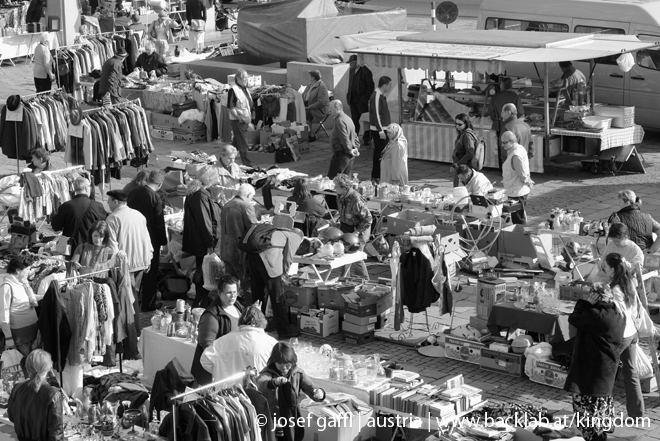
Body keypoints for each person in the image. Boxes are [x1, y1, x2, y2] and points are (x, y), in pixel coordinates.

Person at [564, 282, 625, 441]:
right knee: (600, 412)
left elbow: (574, 318)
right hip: (606, 371)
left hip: (590, 373)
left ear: (595, 296)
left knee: (588, 416)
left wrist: (586, 304)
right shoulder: (618, 314)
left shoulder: (595, 314)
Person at [602, 253, 645, 418]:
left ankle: (603, 412)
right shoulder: (629, 282)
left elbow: (618, 315)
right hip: (632, 332)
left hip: (621, 335)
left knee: (606, 372)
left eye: (605, 267)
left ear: (612, 269)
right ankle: (637, 413)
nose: (604, 269)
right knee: (630, 372)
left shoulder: (614, 289)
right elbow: (633, 309)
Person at [257, 343, 325, 441]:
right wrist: (274, 382)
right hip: (274, 419)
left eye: (287, 366)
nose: (284, 369)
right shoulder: (267, 373)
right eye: (281, 366)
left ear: (292, 362)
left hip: (293, 417)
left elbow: (311, 387)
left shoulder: (298, 373)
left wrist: (318, 392)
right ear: (274, 362)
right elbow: (261, 384)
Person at [246, 227, 303, 339]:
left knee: (257, 295)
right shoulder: (295, 236)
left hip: (252, 259)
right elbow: (288, 257)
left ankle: (258, 326)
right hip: (269, 262)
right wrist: (285, 273)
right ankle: (284, 331)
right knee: (277, 297)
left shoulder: (277, 231)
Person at [105, 189, 153, 321]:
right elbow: (147, 239)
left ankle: (131, 329)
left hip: (126, 265)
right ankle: (134, 327)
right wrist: (148, 257)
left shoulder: (113, 218)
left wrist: (113, 266)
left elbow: (112, 246)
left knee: (126, 298)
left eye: (109, 200)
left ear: (116, 201)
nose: (107, 203)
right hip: (141, 262)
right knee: (134, 296)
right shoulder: (138, 214)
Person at [191, 275, 245, 385]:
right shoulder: (211, 316)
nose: (233, 296)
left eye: (235, 292)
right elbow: (208, 349)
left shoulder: (238, 307)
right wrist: (219, 370)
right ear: (219, 293)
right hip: (216, 371)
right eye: (229, 293)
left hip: (232, 364)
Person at [201, 304, 277, 382]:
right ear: (262, 322)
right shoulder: (272, 343)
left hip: (226, 390)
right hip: (258, 390)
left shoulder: (223, 340)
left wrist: (220, 372)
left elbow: (205, 359)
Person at [127, 170, 168, 312]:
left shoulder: (134, 191)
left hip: (133, 235)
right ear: (160, 183)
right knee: (150, 272)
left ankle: (132, 300)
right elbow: (159, 223)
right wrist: (163, 241)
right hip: (150, 239)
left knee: (134, 269)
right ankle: (148, 303)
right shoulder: (155, 198)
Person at [183, 166, 222, 308]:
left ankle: (201, 302)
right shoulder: (200, 196)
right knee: (205, 273)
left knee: (204, 271)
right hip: (203, 243)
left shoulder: (196, 193)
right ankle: (199, 303)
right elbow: (204, 223)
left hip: (198, 241)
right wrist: (210, 244)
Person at [7, 349, 63, 441]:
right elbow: (56, 435)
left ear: (27, 367)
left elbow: (12, 417)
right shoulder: (53, 394)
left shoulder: (17, 388)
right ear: (48, 368)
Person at [51, 177, 108, 259]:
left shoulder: (66, 206)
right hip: (90, 248)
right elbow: (104, 227)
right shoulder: (98, 206)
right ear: (86, 188)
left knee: (71, 270)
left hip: (70, 250)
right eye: (90, 187)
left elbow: (55, 227)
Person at [0, 254, 40, 367]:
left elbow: (31, 298)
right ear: (18, 270)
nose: (29, 272)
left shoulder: (22, 283)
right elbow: (4, 316)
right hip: (20, 338)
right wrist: (8, 338)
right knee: (25, 368)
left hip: (33, 333)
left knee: (33, 366)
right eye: (27, 269)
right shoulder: (7, 287)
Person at [220, 183, 258, 293]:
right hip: (239, 251)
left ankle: (230, 305)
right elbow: (253, 228)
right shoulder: (246, 206)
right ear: (249, 194)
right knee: (246, 282)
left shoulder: (227, 204)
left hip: (225, 249)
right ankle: (249, 307)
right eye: (251, 197)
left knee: (229, 283)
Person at [334, 174, 371, 280]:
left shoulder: (356, 199)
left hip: (358, 229)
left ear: (344, 188)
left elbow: (368, 218)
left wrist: (357, 232)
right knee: (342, 254)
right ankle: (345, 280)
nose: (334, 188)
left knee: (356, 258)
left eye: (336, 186)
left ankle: (365, 281)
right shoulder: (340, 195)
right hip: (345, 227)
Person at [501, 131, 533, 224]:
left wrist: (529, 182)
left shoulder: (515, 155)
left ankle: (520, 236)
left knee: (519, 219)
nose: (502, 145)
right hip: (515, 190)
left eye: (505, 143)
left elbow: (522, 174)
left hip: (517, 192)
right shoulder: (518, 148)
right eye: (502, 142)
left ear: (512, 141)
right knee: (518, 217)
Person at [227, 69, 254, 167]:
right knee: (243, 144)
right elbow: (230, 107)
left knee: (236, 143)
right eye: (244, 78)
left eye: (247, 78)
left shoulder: (244, 88)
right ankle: (248, 165)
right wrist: (239, 118)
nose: (246, 80)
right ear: (238, 78)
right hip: (238, 121)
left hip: (244, 121)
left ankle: (224, 158)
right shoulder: (233, 90)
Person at [369, 76, 393, 182]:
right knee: (381, 153)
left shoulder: (381, 95)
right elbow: (376, 114)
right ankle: (377, 175)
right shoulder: (377, 96)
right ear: (384, 85)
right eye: (389, 85)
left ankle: (378, 174)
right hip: (379, 130)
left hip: (383, 128)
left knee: (380, 152)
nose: (390, 87)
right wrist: (380, 131)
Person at [327, 100, 359, 179]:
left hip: (342, 153)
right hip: (349, 154)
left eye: (330, 108)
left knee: (333, 178)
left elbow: (344, 137)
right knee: (346, 179)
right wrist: (356, 148)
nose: (329, 110)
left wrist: (349, 150)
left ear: (337, 108)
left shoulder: (339, 120)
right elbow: (355, 135)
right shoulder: (347, 118)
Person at [346, 54, 374, 139]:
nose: (350, 65)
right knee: (354, 119)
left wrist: (365, 98)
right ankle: (354, 137)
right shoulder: (351, 70)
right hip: (353, 99)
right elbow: (350, 83)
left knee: (365, 120)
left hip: (362, 100)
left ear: (357, 62)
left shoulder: (366, 71)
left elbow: (370, 87)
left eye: (351, 63)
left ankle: (367, 138)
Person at [303, 70, 330, 142]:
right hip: (308, 106)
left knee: (306, 114)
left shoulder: (322, 87)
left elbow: (321, 102)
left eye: (310, 76)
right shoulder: (310, 85)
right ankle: (302, 134)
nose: (308, 77)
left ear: (313, 77)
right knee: (297, 111)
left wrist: (309, 107)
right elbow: (303, 96)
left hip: (319, 110)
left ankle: (311, 135)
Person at [451, 113, 476, 187]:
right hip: (461, 166)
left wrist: (458, 163)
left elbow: (470, 153)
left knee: (459, 188)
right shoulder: (463, 133)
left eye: (459, 124)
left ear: (466, 124)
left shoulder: (467, 135)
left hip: (463, 167)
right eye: (455, 124)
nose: (457, 126)